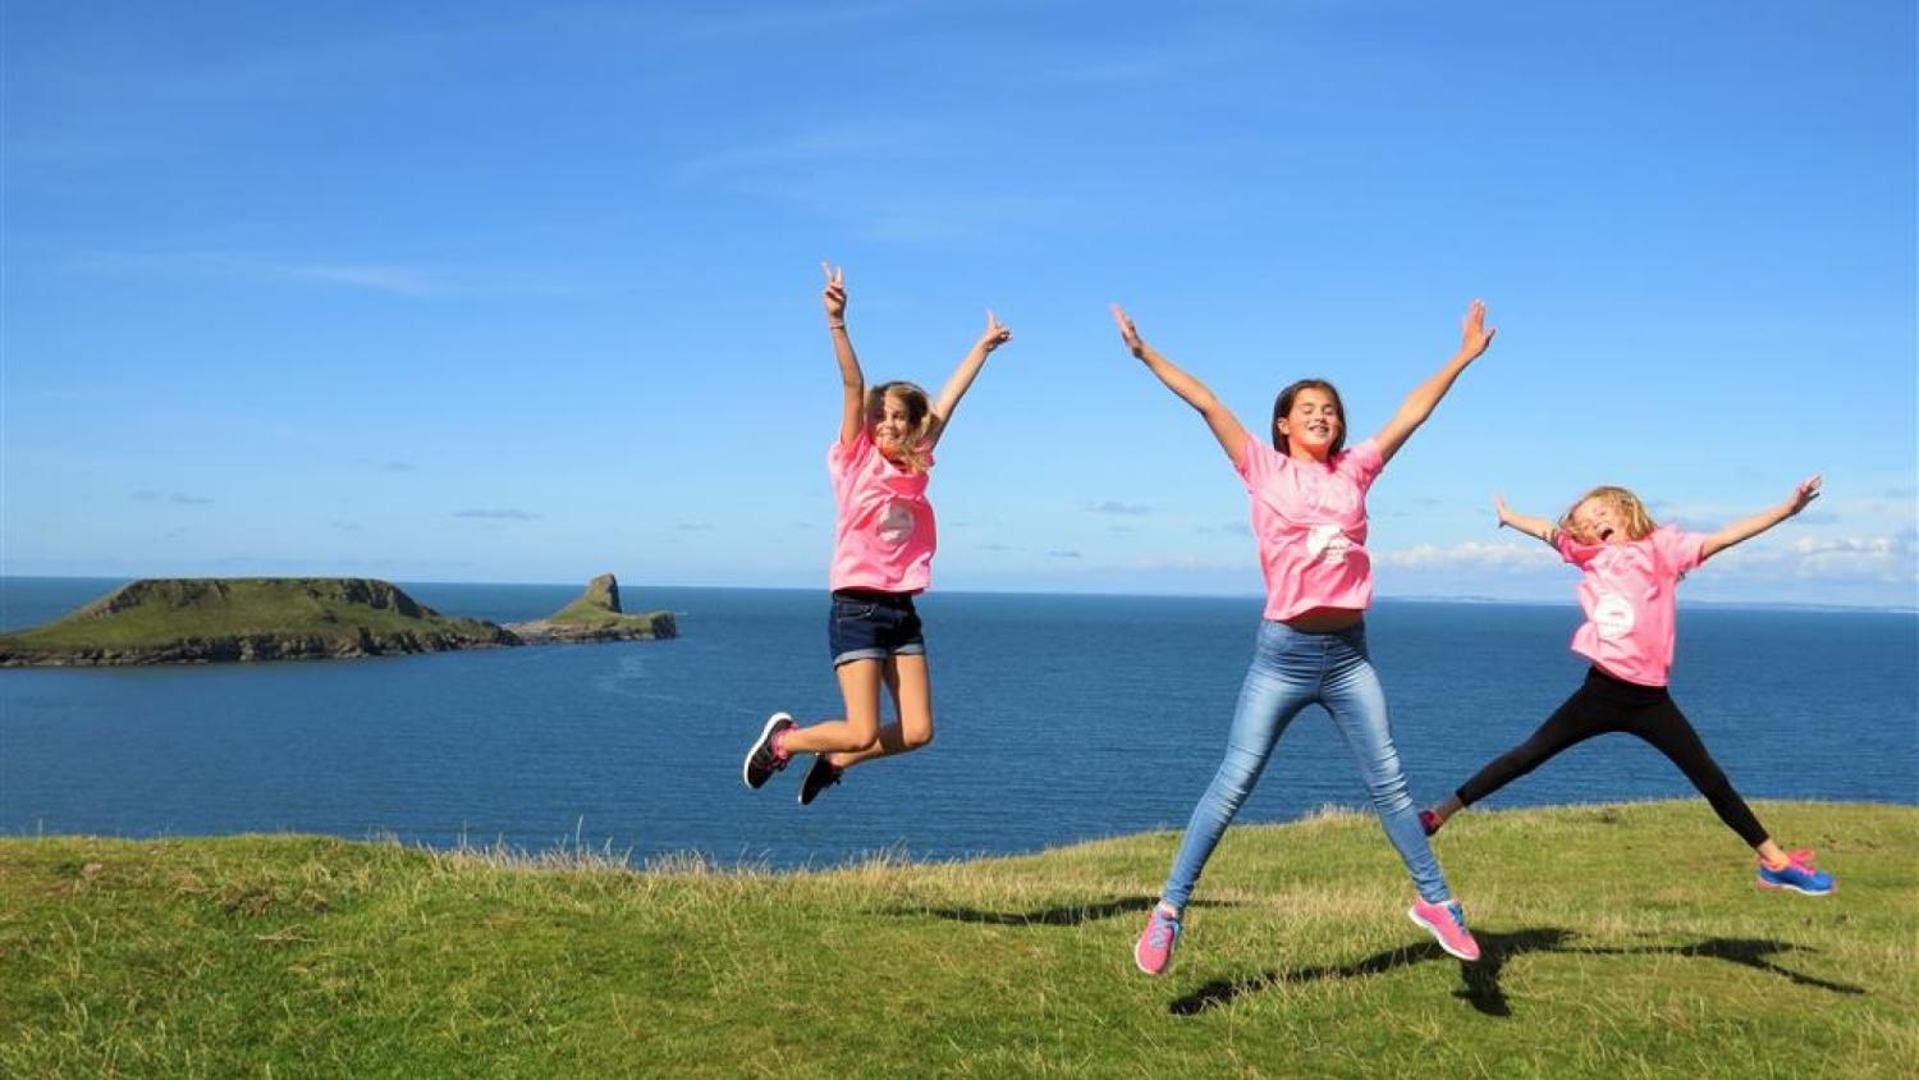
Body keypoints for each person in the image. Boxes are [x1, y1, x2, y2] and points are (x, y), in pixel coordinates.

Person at [1114, 299, 1498, 975]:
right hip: (1284, 655)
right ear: (1283, 424)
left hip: (1349, 655)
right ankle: (1169, 909)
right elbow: (1206, 402)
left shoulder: (1356, 471)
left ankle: (1436, 902)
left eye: (1331, 408)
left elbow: (1413, 410)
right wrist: (1146, 357)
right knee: (1232, 783)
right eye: (1308, 408)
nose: (1322, 415)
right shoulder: (1262, 468)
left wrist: (1461, 358)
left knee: (1391, 784)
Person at [1419, 481, 1836, 897]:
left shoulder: (1662, 551)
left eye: (1601, 514)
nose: (1594, 523)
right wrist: (1510, 519)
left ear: (1626, 511)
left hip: (1651, 699)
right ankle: (1440, 814)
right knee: (1527, 755)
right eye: (1585, 522)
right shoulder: (1586, 555)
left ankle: (1775, 862)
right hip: (1601, 689)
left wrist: (1787, 509)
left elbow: (1727, 535)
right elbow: (1547, 530)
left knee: (1711, 778)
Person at [743, 264, 1012, 806]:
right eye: (880, 417)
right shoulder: (854, 461)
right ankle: (784, 741)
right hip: (858, 608)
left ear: (913, 427)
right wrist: (837, 322)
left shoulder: (918, 463)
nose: (888, 424)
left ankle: (836, 760)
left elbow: (946, 403)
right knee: (862, 727)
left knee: (917, 732)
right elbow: (853, 384)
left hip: (901, 610)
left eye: (899, 418)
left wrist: (981, 349)